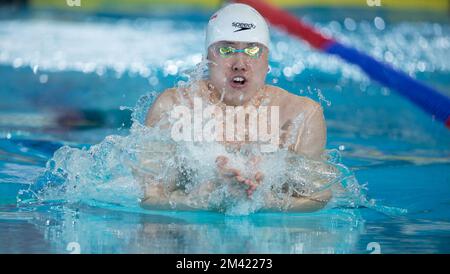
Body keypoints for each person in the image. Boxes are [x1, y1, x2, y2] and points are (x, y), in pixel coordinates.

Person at [138, 3, 332, 212]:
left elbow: (318, 197)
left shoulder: (300, 115)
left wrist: (266, 202)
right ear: (206, 59)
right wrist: (200, 200)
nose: (240, 63)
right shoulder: (174, 107)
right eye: (226, 49)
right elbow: (150, 198)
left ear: (267, 61)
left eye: (252, 50)